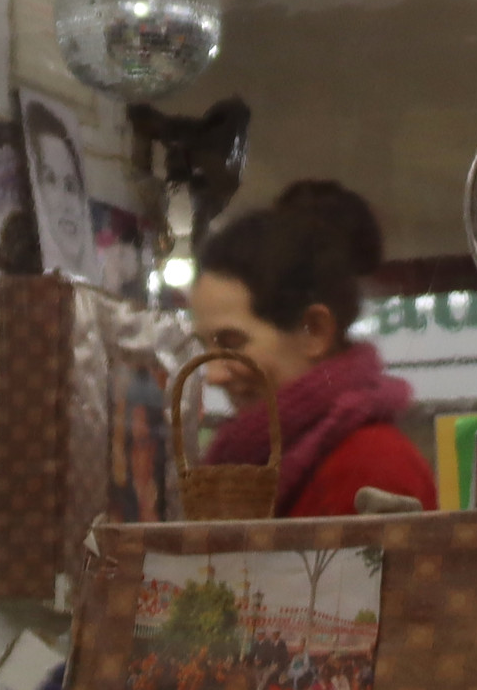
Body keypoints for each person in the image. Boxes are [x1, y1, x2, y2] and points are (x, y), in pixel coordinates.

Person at [181, 180, 435, 517]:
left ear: (314, 331)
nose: (213, 375)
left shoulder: (372, 469)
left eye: (231, 343)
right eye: (205, 347)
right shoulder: (251, 462)